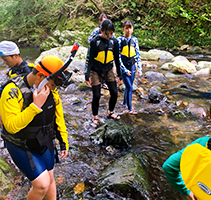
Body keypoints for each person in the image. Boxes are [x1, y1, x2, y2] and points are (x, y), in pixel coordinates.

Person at [0, 55, 69, 200]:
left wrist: (64, 142)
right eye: (52, 85)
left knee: (50, 177)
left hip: (43, 139)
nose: (53, 89)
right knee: (42, 184)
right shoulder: (12, 91)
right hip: (20, 143)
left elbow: (58, 116)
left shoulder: (51, 90)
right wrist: (35, 106)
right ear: (40, 76)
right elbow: (11, 127)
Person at [85, 19, 122, 127]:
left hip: (108, 69)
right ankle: (95, 117)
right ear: (101, 30)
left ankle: (110, 112)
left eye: (111, 33)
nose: (109, 36)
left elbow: (116, 59)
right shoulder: (94, 42)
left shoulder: (114, 42)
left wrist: (120, 75)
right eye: (107, 33)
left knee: (114, 92)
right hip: (95, 70)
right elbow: (89, 59)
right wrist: (87, 75)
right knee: (96, 95)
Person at [117, 20, 142, 114]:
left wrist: (139, 69)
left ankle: (124, 103)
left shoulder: (134, 40)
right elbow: (118, 56)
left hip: (132, 65)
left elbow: (138, 55)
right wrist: (124, 69)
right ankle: (130, 109)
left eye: (130, 28)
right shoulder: (119, 40)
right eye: (126, 28)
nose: (128, 30)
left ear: (132, 29)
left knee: (128, 87)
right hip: (123, 67)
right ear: (123, 29)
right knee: (130, 87)